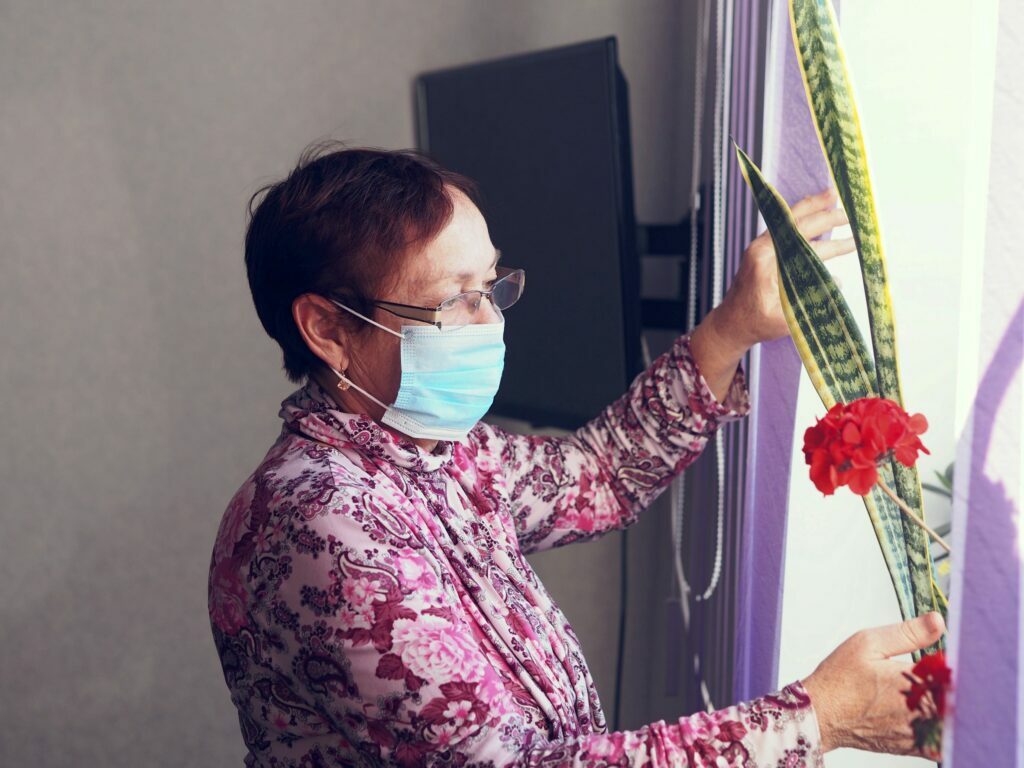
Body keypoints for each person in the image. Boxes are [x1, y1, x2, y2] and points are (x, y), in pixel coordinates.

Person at [208, 142, 946, 766]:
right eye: (454, 298)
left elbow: (594, 477)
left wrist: (730, 329)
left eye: (491, 286)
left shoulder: (427, 452)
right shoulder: (321, 527)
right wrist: (817, 718)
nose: (488, 320)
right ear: (329, 330)